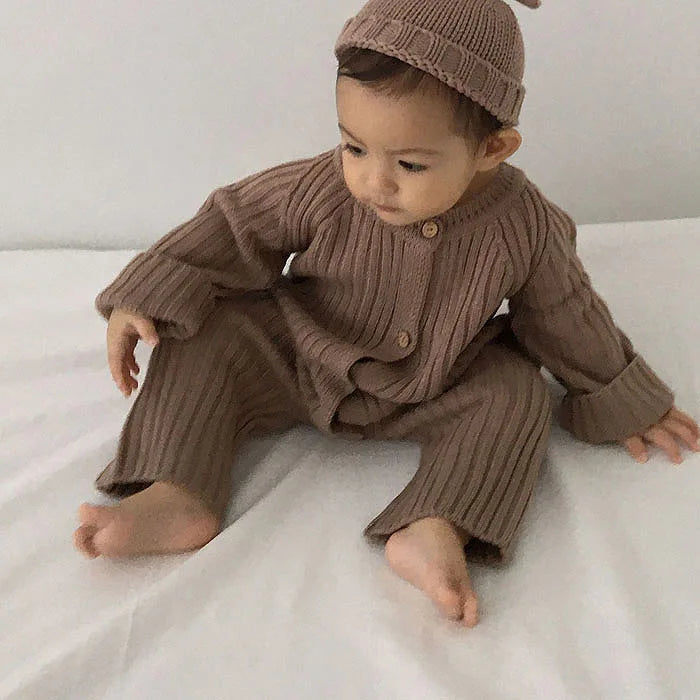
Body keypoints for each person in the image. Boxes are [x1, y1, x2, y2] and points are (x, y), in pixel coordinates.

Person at [73, 0, 700, 628]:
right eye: (354, 146)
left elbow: (563, 313)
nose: (374, 181)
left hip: (435, 380)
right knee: (207, 330)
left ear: (492, 148)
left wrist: (621, 395)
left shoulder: (521, 225)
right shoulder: (323, 187)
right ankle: (176, 488)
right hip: (296, 353)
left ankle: (435, 524)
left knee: (514, 390)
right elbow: (235, 225)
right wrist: (147, 293)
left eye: (410, 164)